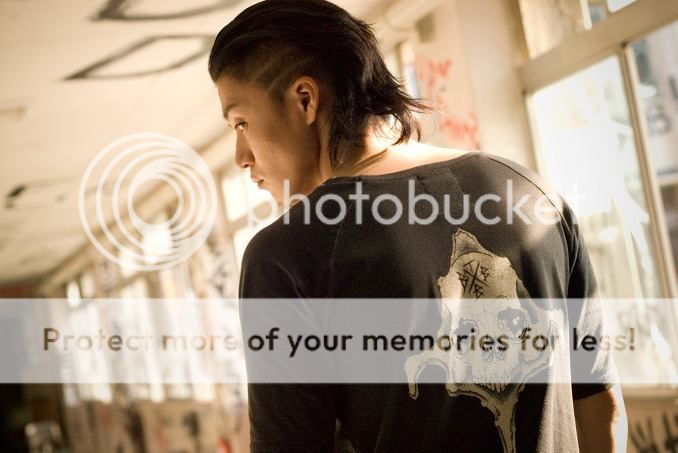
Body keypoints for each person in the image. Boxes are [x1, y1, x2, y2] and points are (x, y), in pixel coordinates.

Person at [208, 0, 627, 451]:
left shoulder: (288, 254)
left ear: (305, 99)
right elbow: (600, 406)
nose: (241, 157)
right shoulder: (531, 193)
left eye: (241, 122)